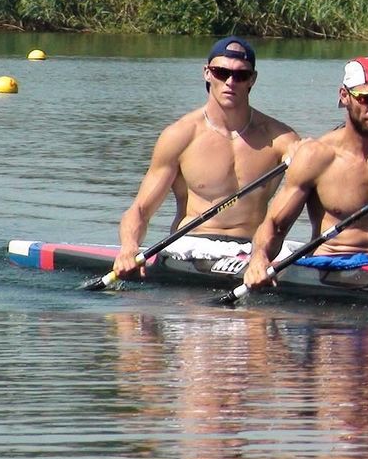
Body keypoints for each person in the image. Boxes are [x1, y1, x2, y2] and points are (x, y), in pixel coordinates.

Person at [243, 56, 368, 288]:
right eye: (367, 99)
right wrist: (259, 258)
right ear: (344, 96)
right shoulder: (316, 156)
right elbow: (275, 224)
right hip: (331, 263)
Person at [113, 37, 300, 279]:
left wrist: (306, 156)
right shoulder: (180, 136)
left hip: (252, 248)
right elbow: (140, 209)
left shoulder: (279, 138)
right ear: (207, 73)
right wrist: (129, 248)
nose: (230, 82)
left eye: (240, 75)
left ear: (252, 79)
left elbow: (319, 171)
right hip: (191, 245)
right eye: (221, 72)